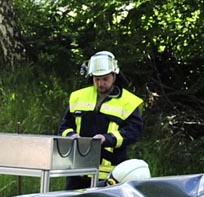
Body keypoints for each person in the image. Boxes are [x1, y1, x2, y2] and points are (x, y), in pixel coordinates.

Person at [59, 51, 145, 189]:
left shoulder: (128, 101)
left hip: (111, 173)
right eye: (97, 79)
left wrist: (107, 139)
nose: (100, 83)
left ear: (114, 76)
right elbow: (65, 126)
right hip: (77, 170)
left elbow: (133, 131)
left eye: (105, 79)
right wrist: (70, 136)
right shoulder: (78, 96)